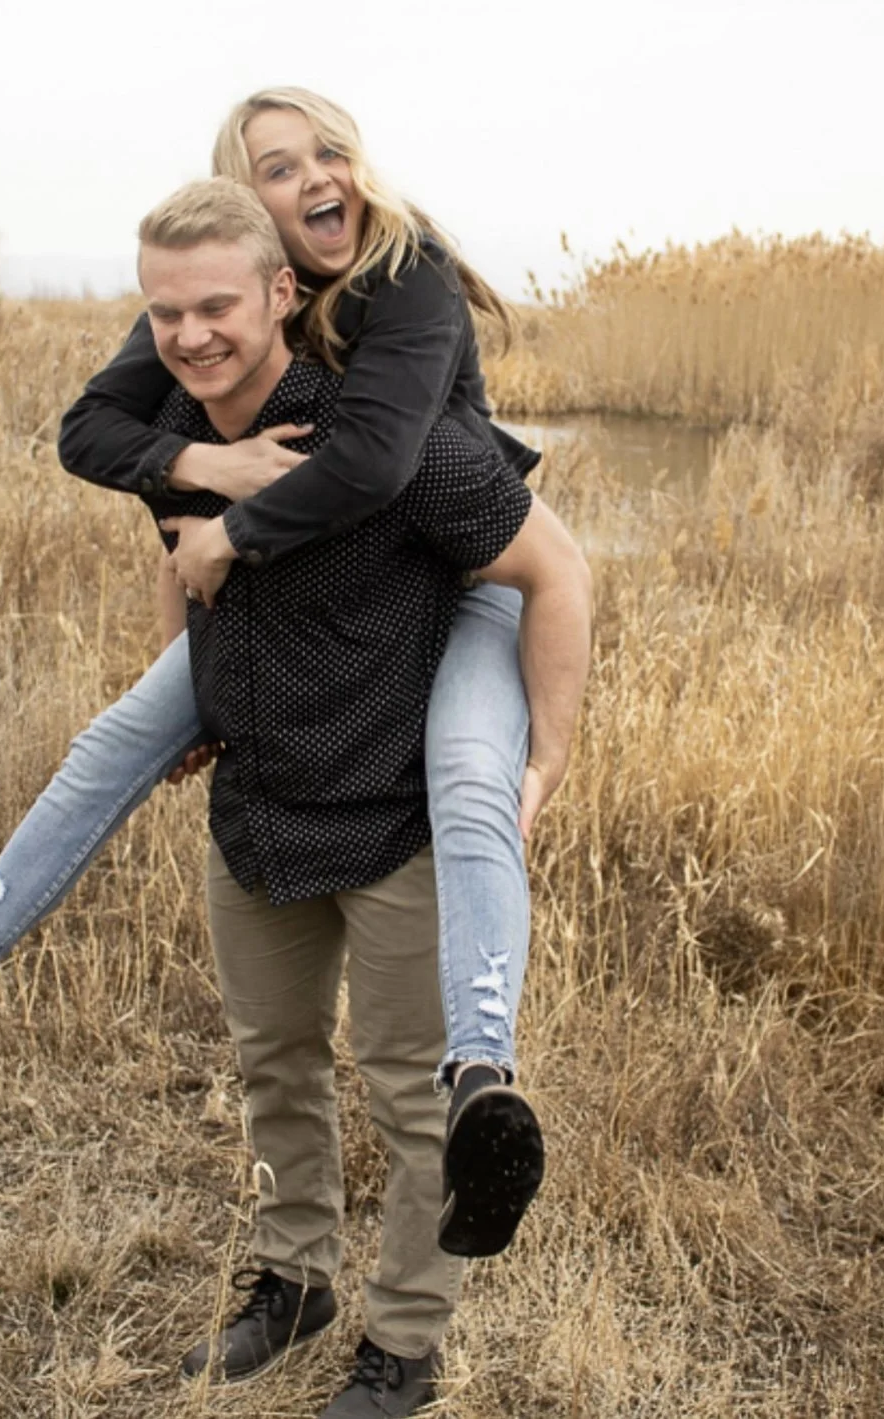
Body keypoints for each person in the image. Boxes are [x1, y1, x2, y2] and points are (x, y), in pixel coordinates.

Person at [0, 86, 583, 1262]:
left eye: (326, 153)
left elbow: (389, 467)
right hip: (296, 624)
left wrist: (233, 525)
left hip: (466, 570)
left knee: (471, 780)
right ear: (248, 209)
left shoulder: (404, 275)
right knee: (113, 743)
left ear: (285, 279)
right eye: (275, 169)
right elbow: (99, 438)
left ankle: (484, 1076)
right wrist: (201, 477)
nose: (312, 180)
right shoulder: (211, 320)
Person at [140, 178, 588, 1414]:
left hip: (394, 817)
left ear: (282, 291)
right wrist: (192, 698)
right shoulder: (181, 443)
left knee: (411, 1096)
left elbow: (558, 573)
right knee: (273, 1063)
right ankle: (295, 1281)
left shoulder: (398, 442)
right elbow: (182, 577)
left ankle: (404, 1342)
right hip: (261, 812)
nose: (193, 335)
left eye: (216, 305)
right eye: (167, 313)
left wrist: (541, 757)